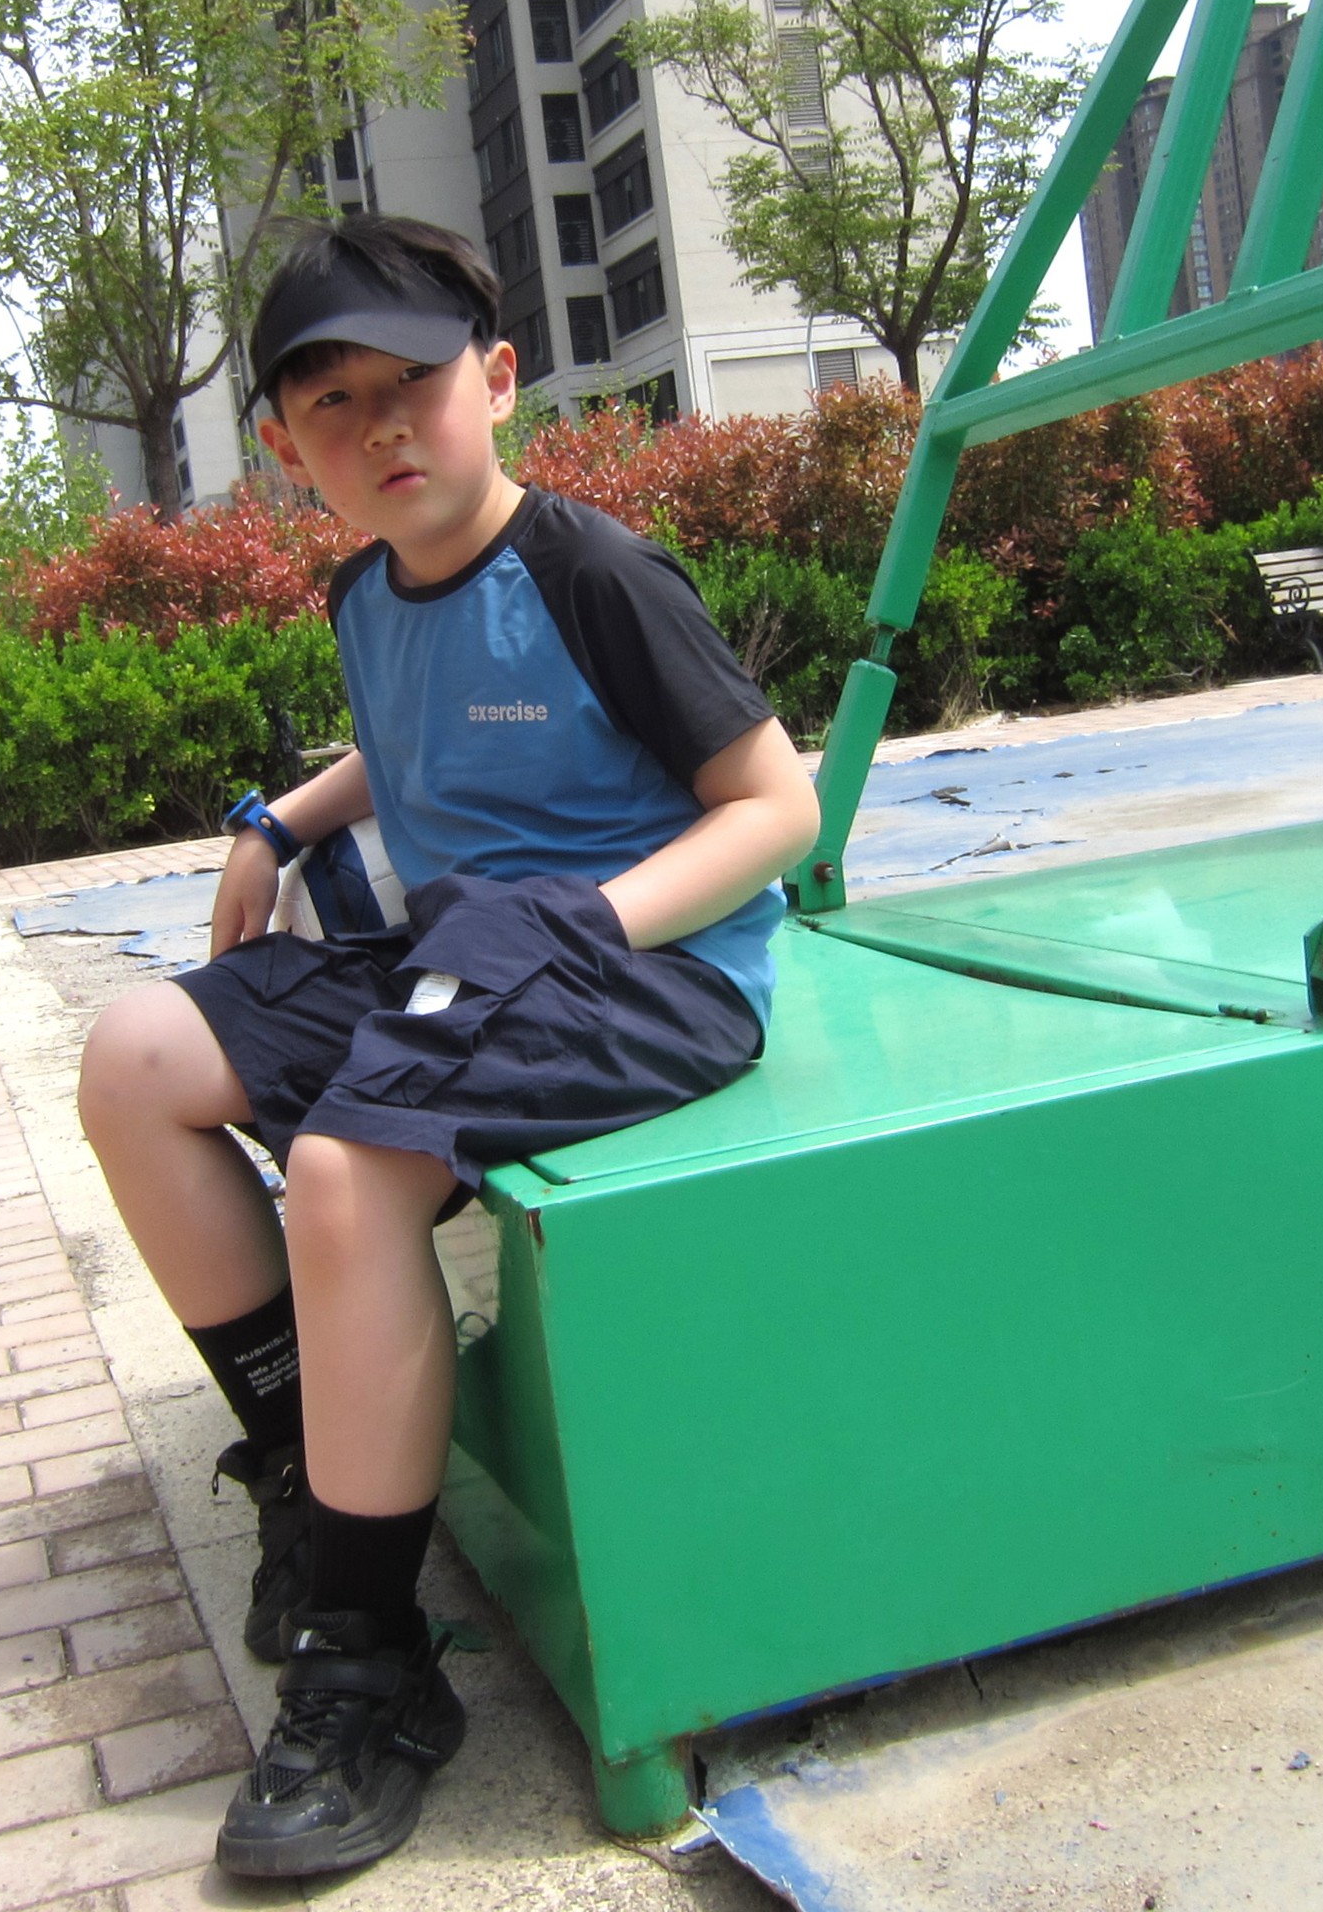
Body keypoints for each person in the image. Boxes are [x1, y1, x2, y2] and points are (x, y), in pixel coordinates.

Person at [78, 213, 821, 1879]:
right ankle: (304, 1467)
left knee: (349, 1172)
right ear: (287, 450)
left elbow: (777, 805)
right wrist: (281, 818)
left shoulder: (591, 573)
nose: (381, 429)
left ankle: (369, 1664)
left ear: (494, 382)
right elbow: (405, 740)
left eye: (410, 384)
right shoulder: (366, 589)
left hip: (651, 970)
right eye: (330, 404)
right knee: (133, 1058)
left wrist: (591, 922)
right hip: (462, 953)